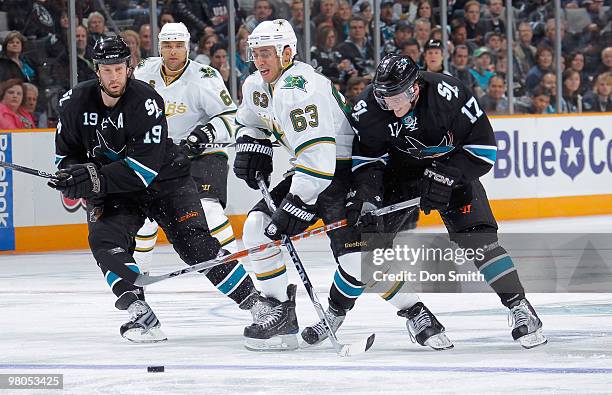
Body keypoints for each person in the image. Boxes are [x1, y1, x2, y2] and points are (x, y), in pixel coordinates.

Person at [234, 19, 450, 351]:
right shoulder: (255, 86)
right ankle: (280, 311)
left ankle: (415, 310)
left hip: (343, 172)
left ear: (287, 53)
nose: (260, 61)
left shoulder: (300, 86)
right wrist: (251, 143)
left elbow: (321, 160)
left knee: (357, 263)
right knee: (256, 226)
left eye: (266, 53)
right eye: (255, 53)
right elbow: (249, 122)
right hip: (308, 173)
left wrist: (297, 203)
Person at [48, 36, 269, 344]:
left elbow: (140, 171)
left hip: (166, 181)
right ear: (97, 70)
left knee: (195, 245)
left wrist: (90, 176)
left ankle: (258, 305)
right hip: (115, 190)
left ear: (129, 67)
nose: (113, 77)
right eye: (106, 70)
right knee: (103, 241)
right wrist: (72, 173)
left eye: (118, 69)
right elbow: (66, 153)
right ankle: (138, 310)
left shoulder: (146, 101)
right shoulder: (73, 103)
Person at [333, 54, 547, 349]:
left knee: (479, 240)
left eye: (396, 97)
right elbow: (368, 160)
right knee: (365, 245)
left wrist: (448, 176)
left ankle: (520, 307)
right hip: (399, 178)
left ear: (414, 88)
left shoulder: (449, 95)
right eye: (384, 98)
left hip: (452, 170)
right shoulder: (368, 107)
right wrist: (369, 200)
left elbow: (484, 151)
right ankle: (406, 313)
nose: (390, 106)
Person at [132, 22, 240, 280]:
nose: (173, 52)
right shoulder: (143, 71)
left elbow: (230, 117)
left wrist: (205, 133)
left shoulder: (205, 77)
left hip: (201, 153)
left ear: (188, 47)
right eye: (168, 46)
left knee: (209, 210)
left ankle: (235, 265)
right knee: (142, 215)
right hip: (158, 154)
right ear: (160, 47)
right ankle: (138, 275)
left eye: (179, 46)